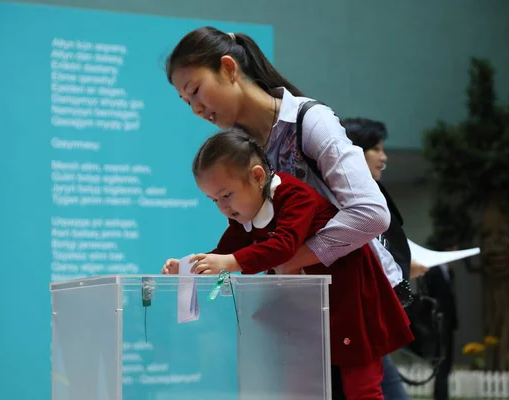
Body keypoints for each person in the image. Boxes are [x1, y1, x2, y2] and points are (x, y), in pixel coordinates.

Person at [162, 129, 414, 399]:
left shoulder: (295, 196)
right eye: (214, 200)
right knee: (299, 385)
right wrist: (190, 266)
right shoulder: (245, 215)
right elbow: (225, 252)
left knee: (362, 387)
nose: (223, 207)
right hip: (306, 307)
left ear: (258, 176)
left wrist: (229, 261)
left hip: (350, 300)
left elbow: (283, 246)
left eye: (226, 195)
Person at [165, 26, 409, 296]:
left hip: (361, 295)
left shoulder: (312, 122)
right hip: (305, 298)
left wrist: (288, 259)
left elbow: (371, 215)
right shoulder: (236, 149)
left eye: (196, 90)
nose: (196, 109)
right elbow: (249, 235)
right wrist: (198, 267)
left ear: (228, 68)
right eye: (187, 102)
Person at [343, 117, 421, 399]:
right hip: (355, 325)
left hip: (369, 324)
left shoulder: (371, 194)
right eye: (375, 148)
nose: (384, 157)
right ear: (352, 151)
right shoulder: (346, 200)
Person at [423, 243, 459, 400]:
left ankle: (443, 394)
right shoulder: (433, 271)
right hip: (438, 325)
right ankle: (440, 396)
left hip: (448, 324)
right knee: (440, 362)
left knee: (447, 362)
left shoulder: (449, 272)